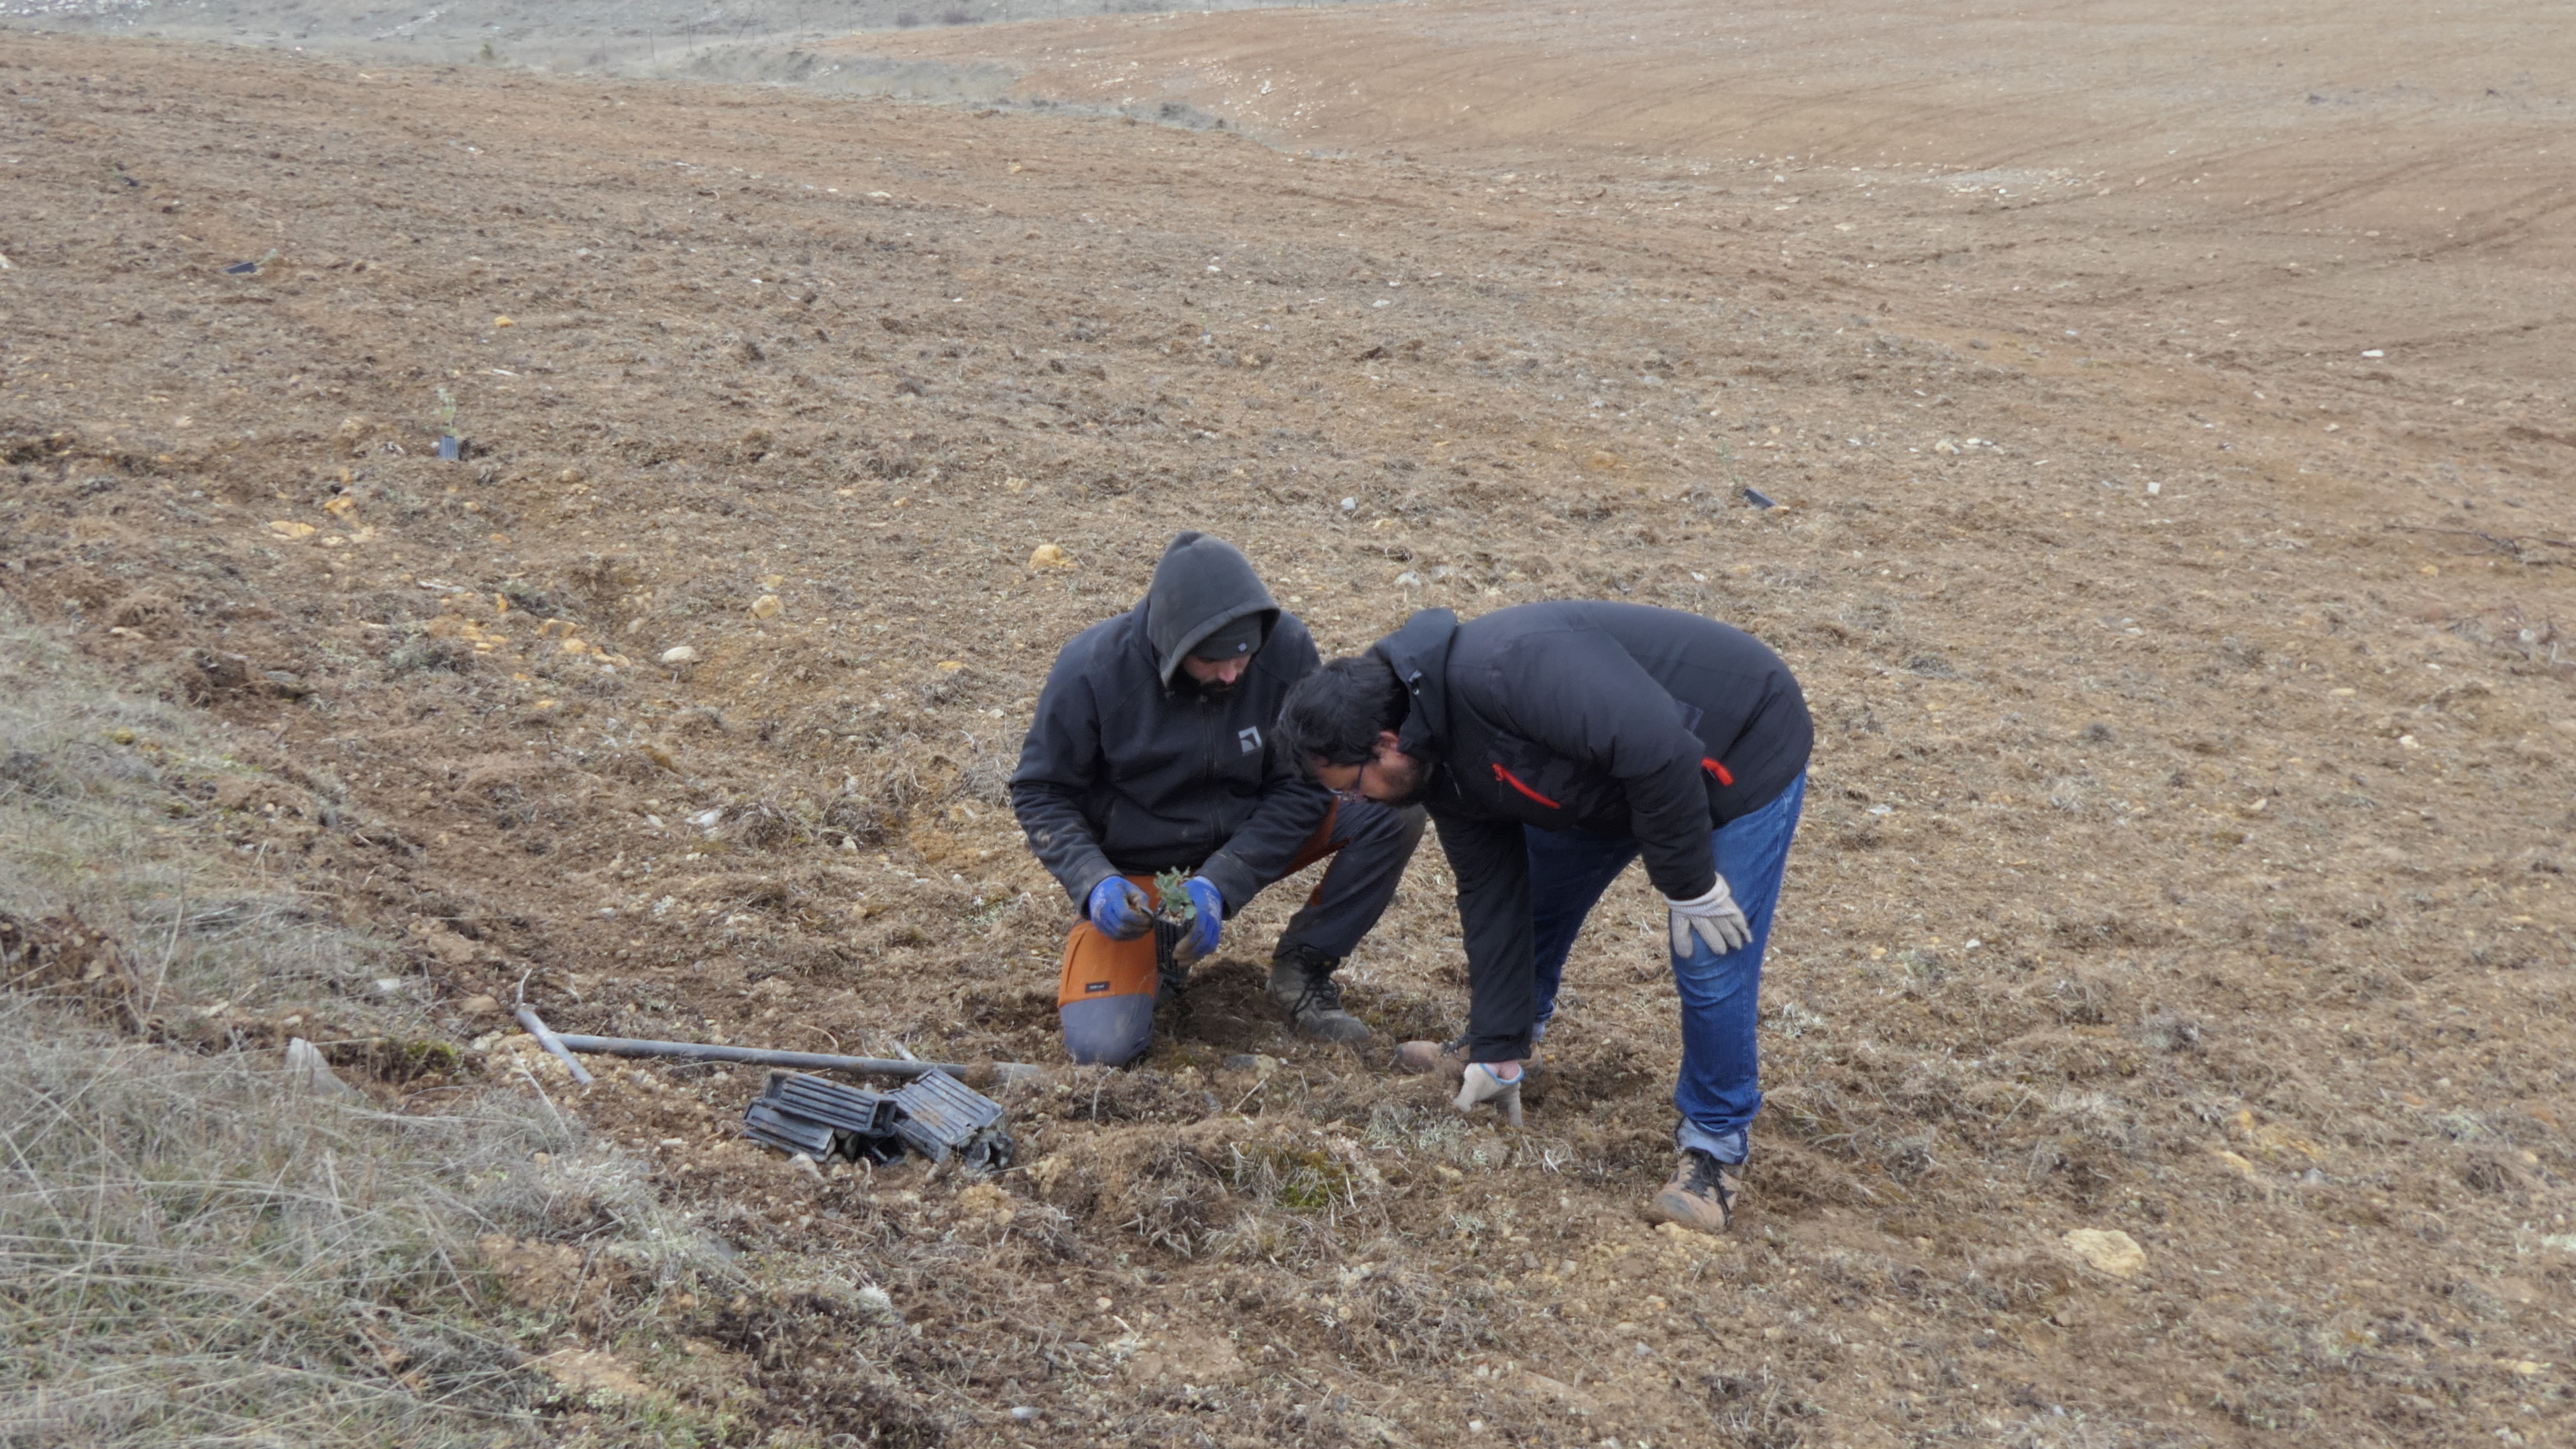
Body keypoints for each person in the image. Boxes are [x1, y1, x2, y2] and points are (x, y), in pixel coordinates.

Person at [1274, 601, 1811, 1231]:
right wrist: (1497, 1046)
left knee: (1708, 950)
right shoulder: (1433, 760)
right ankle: (1505, 1041)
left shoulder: (1507, 668)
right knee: (1535, 903)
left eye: (1353, 785)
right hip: (1603, 779)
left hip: (1733, 748)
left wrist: (1688, 886)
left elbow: (1659, 749)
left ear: (1387, 744)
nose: (1357, 801)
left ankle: (1714, 1148)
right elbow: (1490, 889)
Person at [1010, 531, 1425, 1067]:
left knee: (1389, 812)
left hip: (1243, 834)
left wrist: (1220, 881)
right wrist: (1093, 881)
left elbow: (1302, 785)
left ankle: (1303, 967)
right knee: (1103, 1048)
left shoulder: (1286, 649)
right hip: (1135, 874)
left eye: (1244, 656)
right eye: (1212, 660)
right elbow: (1041, 791)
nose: (1232, 673)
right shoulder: (1092, 670)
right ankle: (1159, 951)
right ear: (1172, 645)